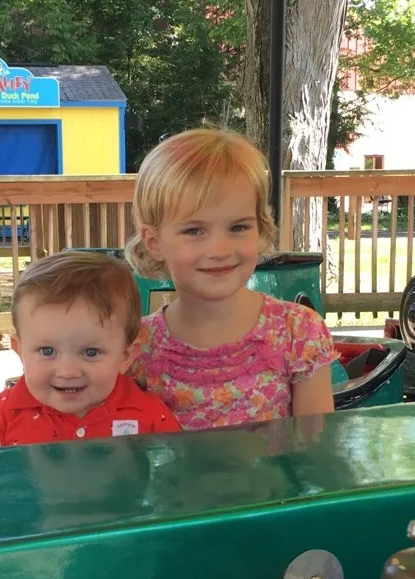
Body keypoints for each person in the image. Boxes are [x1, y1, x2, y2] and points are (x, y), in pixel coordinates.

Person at [125, 128, 336, 431]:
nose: (220, 250)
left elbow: (315, 455)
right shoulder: (135, 349)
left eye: (238, 227)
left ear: (260, 228)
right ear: (154, 241)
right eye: (194, 231)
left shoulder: (298, 333)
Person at [0, 251, 180, 449]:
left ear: (125, 356)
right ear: (20, 351)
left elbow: (176, 480)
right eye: (47, 351)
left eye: (90, 352)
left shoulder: (149, 416)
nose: (67, 371)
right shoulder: (3, 415)